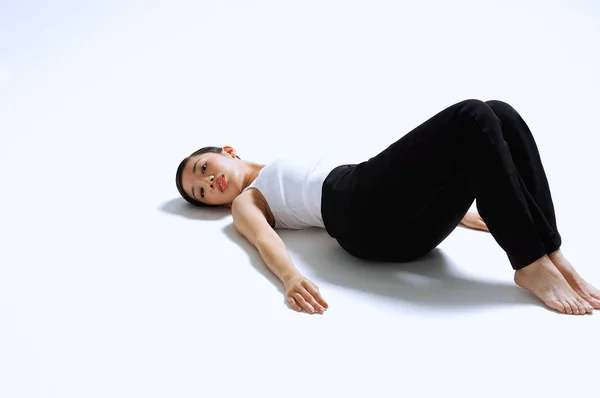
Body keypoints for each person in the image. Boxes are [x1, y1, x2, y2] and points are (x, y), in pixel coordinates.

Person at [175, 99, 600, 316]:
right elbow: (264, 240)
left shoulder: (269, 167)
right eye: (200, 192)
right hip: (356, 209)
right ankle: (529, 262)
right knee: (471, 116)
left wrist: (458, 215)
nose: (207, 183)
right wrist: (289, 279)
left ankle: (550, 250)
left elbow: (405, 184)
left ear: (226, 150)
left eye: (202, 169)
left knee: (498, 114)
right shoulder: (247, 202)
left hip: (389, 217)